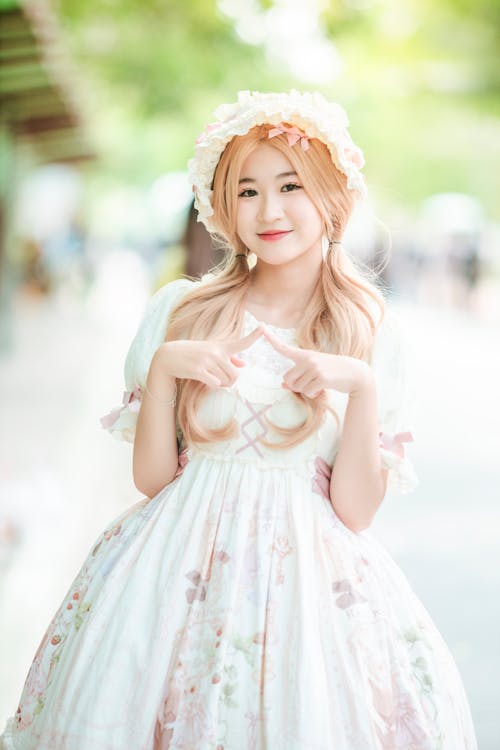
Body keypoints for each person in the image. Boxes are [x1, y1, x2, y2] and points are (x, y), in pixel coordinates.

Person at [1, 90, 477, 750]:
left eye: (290, 186)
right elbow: (151, 480)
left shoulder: (369, 332)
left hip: (312, 592)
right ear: (222, 206)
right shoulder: (183, 311)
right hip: (172, 574)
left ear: (330, 196)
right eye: (247, 191)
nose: (270, 210)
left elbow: (357, 513)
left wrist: (359, 387)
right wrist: (167, 367)